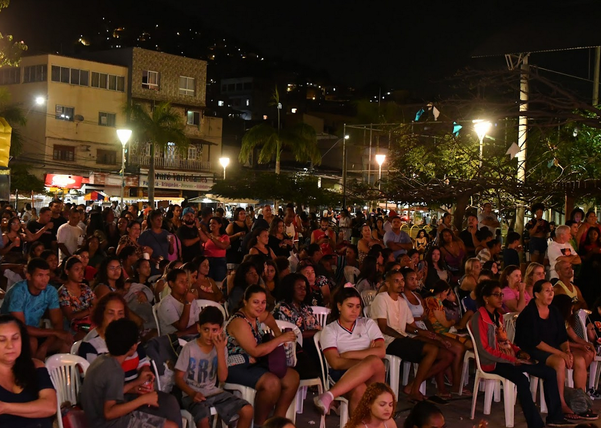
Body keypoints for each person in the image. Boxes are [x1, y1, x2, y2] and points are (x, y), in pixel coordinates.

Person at [471, 280, 575, 427]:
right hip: (493, 362)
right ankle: (535, 424)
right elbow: (484, 350)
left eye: (501, 294)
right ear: (486, 298)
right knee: (522, 380)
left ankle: (555, 416)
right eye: (496, 295)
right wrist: (511, 359)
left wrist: (519, 352)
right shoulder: (479, 318)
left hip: (508, 358)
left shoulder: (498, 317)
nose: (501, 298)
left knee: (550, 373)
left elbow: (505, 342)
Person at [81, 317, 179, 428]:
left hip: (100, 420)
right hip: (110, 424)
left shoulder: (102, 361)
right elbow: (109, 413)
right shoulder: (115, 371)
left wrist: (135, 384)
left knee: (170, 425)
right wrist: (143, 400)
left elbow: (106, 394)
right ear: (133, 347)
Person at [371, 270, 453, 402]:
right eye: (396, 281)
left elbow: (410, 326)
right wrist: (403, 337)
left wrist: (428, 334)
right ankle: (415, 391)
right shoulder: (381, 299)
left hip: (402, 337)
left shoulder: (402, 302)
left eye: (402, 280)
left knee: (447, 355)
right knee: (431, 350)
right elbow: (383, 327)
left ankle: (412, 385)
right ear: (387, 283)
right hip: (388, 341)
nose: (400, 283)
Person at [225, 284, 299, 426]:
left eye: (263, 302)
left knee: (292, 378)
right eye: (255, 302)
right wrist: (280, 338)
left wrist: (277, 332)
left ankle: (278, 421)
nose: (260, 306)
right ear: (245, 302)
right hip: (234, 365)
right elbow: (255, 351)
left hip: (254, 363)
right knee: (272, 383)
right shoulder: (239, 322)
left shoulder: (257, 316)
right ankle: (261, 424)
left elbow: (269, 317)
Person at [515, 280, 584, 418]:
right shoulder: (530, 313)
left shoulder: (554, 311)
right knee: (559, 362)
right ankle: (561, 404)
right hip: (531, 350)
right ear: (537, 294)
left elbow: (562, 337)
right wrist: (561, 354)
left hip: (552, 348)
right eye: (547, 291)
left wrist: (567, 351)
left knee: (580, 360)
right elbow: (536, 342)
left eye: (552, 291)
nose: (551, 294)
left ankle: (580, 401)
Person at [175, 306, 253, 428]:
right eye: (206, 329)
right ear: (198, 328)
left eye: (214, 330)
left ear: (221, 330)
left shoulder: (221, 348)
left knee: (247, 410)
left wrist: (220, 350)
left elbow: (222, 378)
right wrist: (192, 393)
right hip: (192, 395)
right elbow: (178, 378)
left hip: (213, 393)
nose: (210, 335)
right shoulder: (189, 348)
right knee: (204, 419)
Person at [314, 287, 386, 415]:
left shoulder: (367, 323)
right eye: (350, 306)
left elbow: (381, 351)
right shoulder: (330, 330)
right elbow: (335, 363)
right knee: (360, 389)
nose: (355, 311)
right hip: (342, 373)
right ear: (339, 306)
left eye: (358, 307)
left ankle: (330, 395)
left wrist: (349, 355)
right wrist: (368, 355)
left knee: (375, 361)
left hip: (372, 373)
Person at [0, 257, 73, 359]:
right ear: (29, 276)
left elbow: (58, 325)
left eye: (47, 275)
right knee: (32, 342)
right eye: (40, 275)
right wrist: (55, 332)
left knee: (67, 340)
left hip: (35, 331)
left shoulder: (50, 291)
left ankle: (54, 371)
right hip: (11, 333)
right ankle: (32, 371)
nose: (44, 279)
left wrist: (45, 346)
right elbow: (22, 328)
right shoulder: (18, 292)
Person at [0, 314, 57, 428]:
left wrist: (5, 407)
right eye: (1, 340)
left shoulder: (36, 366)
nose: (10, 346)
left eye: (15, 338)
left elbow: (50, 407)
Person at [272, 273, 321, 379]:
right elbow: (292, 334)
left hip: (311, 343)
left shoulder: (305, 308)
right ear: (290, 288)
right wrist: (316, 333)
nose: (303, 291)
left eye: (304, 288)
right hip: (291, 349)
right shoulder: (282, 308)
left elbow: (317, 327)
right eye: (299, 288)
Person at [58, 256, 96, 340]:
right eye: (76, 269)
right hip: (73, 327)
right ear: (67, 272)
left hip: (90, 322)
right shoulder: (63, 292)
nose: (81, 273)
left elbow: (96, 304)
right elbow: (70, 317)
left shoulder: (85, 288)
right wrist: (89, 311)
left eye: (82, 269)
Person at [158, 268, 201, 336]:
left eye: (186, 281)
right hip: (176, 342)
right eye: (181, 282)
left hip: (192, 336)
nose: (186, 284)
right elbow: (182, 327)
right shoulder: (166, 303)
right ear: (171, 284)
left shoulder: (189, 297)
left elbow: (199, 323)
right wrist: (188, 303)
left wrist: (183, 333)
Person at [138, 210, 175, 275]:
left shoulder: (166, 233)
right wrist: (152, 259)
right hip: (151, 269)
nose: (160, 221)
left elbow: (171, 252)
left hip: (164, 268)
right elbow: (139, 252)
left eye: (161, 219)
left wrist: (171, 244)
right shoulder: (145, 235)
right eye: (157, 219)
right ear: (151, 221)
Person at [200, 216, 230, 282]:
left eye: (214, 223)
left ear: (220, 225)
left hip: (219, 261)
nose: (211, 225)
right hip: (207, 261)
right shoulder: (206, 236)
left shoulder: (224, 237)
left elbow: (223, 246)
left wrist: (212, 238)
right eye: (210, 223)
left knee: (219, 281)